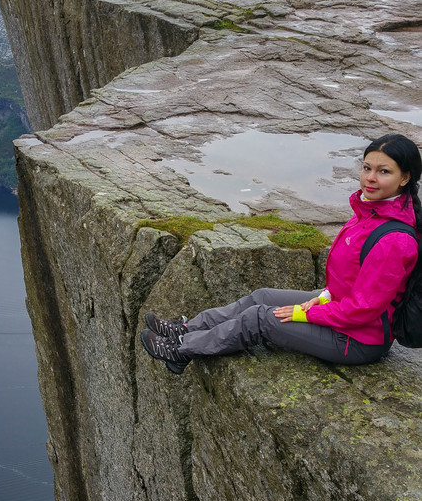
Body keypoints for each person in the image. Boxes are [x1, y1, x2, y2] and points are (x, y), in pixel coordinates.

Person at [140, 133, 422, 374]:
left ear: (405, 178)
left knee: (260, 318)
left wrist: (306, 314)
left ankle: (181, 350)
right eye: (366, 168)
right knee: (262, 296)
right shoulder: (369, 212)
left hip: (358, 339)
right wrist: (323, 298)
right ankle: (187, 329)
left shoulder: (395, 239)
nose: (370, 179)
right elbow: (349, 280)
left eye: (384, 172)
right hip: (340, 311)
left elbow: (363, 309)